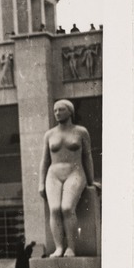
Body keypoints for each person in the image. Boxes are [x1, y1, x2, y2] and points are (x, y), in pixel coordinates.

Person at [39, 99, 96, 257]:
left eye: (61, 110)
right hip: (53, 174)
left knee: (67, 208)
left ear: (70, 112)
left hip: (75, 172)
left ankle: (71, 247)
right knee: (55, 209)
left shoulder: (81, 131)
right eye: (55, 110)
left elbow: (87, 157)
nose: (57, 113)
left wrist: (91, 181)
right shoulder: (49, 134)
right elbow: (44, 160)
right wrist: (40, 183)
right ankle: (59, 247)